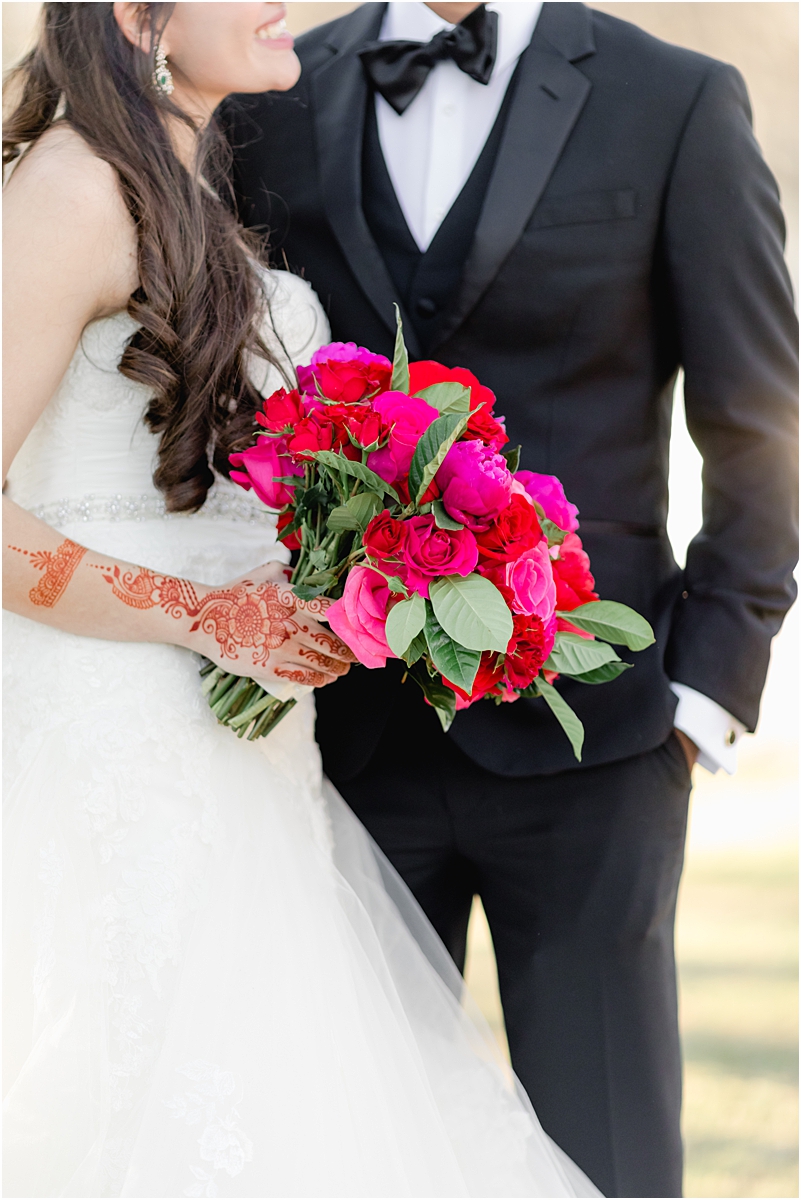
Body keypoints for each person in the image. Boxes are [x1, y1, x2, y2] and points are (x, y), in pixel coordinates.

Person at [2, 3, 603, 1196]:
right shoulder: (72, 187)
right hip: (107, 739)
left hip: (242, 753)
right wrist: (203, 613)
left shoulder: (182, 181)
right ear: (137, 15)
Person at [224, 2, 799, 1195]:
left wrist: (705, 692)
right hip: (338, 739)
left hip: (601, 742)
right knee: (352, 1150)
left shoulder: (675, 99)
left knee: (611, 1160)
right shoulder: (265, 88)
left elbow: (760, 422)